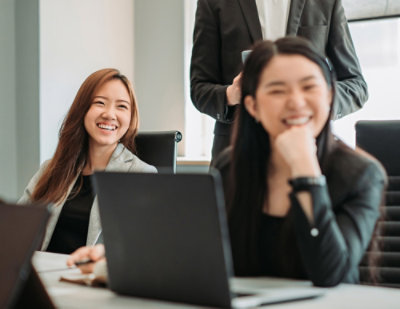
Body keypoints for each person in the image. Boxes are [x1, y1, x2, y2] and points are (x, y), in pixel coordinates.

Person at [68, 38, 384, 287]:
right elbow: (191, 246)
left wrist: (306, 173)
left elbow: (329, 273)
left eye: (309, 87)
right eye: (277, 90)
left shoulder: (361, 175)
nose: (296, 101)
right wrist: (120, 256)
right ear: (253, 106)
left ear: (329, 97)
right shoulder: (230, 166)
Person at [190, 0, 368, 160]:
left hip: (314, 152)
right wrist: (232, 94)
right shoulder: (212, 2)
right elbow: (199, 89)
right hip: (237, 156)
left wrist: (318, 102)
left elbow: (356, 85)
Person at [19, 68, 156, 254]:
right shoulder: (51, 169)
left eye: (121, 106)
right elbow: (16, 227)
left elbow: (143, 250)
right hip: (39, 276)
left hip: (90, 280)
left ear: (131, 117)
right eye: (100, 103)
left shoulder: (140, 176)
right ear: (83, 109)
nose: (110, 114)